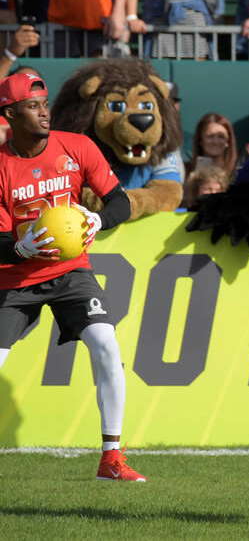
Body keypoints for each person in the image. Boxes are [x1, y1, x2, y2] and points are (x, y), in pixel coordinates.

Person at [0, 72, 144, 480]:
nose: (44, 112)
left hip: (70, 270)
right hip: (15, 278)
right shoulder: (1, 166)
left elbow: (121, 202)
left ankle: (112, 458)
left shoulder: (78, 146)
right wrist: (18, 247)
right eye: (32, 105)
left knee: (106, 344)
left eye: (44, 103)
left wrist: (98, 219)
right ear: (9, 113)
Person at [187, 112, 237, 179]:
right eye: (210, 136)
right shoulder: (185, 171)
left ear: (228, 141)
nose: (215, 142)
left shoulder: (239, 173)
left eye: (221, 137)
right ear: (200, 140)